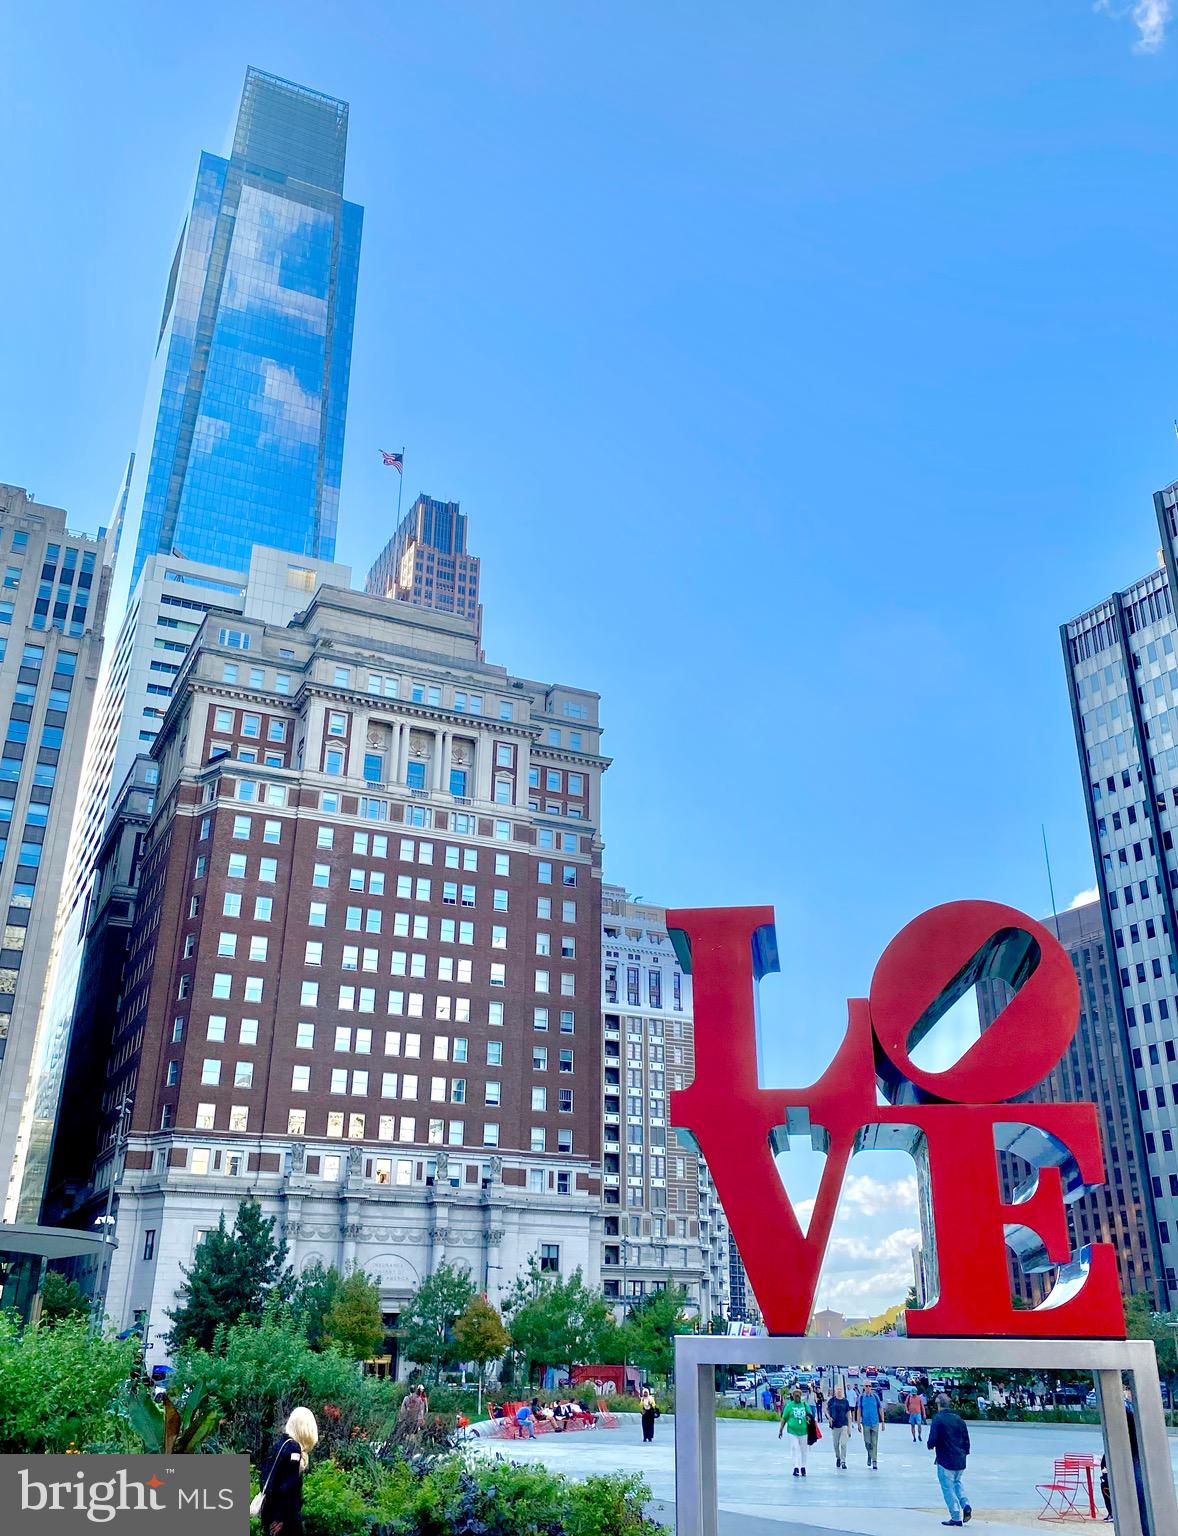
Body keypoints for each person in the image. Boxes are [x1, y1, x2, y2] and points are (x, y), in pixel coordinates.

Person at [258, 1406, 318, 1536]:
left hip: (270, 1511)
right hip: (284, 1518)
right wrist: (280, 1518)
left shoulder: (281, 1444)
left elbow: (266, 1477)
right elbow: (286, 1487)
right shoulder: (293, 1449)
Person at [927, 1392, 971, 1527]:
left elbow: (932, 1439)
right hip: (960, 1459)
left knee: (948, 1488)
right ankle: (965, 1504)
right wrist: (964, 1452)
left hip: (945, 1459)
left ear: (938, 1404)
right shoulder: (959, 1419)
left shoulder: (938, 1419)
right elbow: (966, 1439)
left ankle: (956, 1516)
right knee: (957, 1483)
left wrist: (930, 1445)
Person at [778, 1386, 810, 1477]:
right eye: (795, 1395)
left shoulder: (804, 1405)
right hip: (792, 1431)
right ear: (793, 1396)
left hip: (804, 1431)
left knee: (804, 1450)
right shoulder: (789, 1406)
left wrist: (809, 1420)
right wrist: (781, 1430)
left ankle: (803, 1467)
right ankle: (796, 1467)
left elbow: (810, 1416)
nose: (797, 1397)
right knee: (795, 1448)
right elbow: (784, 1418)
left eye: (798, 1395)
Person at [856, 1380, 883, 1470]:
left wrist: (883, 1421)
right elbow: (859, 1410)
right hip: (866, 1423)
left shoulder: (875, 1396)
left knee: (874, 1443)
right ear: (864, 1387)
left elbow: (880, 1408)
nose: (868, 1388)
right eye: (866, 1386)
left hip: (875, 1422)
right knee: (867, 1442)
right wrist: (858, 1423)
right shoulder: (861, 1397)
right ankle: (869, 1455)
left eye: (869, 1386)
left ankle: (874, 1461)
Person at [826, 1383, 851, 1470]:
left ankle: (843, 1461)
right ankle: (838, 1457)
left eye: (841, 1389)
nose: (839, 1391)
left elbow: (848, 1414)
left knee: (843, 1443)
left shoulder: (845, 1401)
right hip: (835, 1425)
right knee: (835, 1444)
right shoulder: (832, 1401)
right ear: (835, 1391)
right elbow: (826, 1409)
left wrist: (849, 1427)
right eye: (838, 1389)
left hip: (843, 1424)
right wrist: (829, 1417)